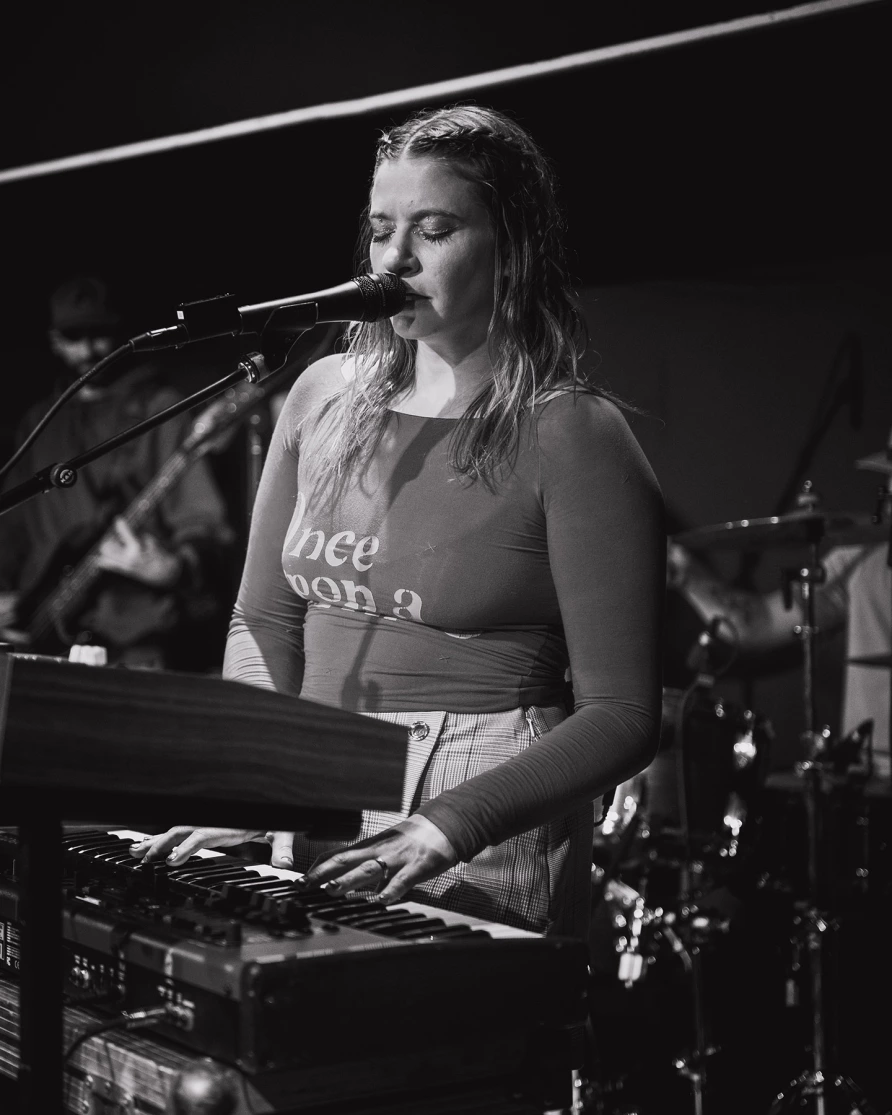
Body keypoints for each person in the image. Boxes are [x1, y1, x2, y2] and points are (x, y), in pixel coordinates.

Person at [129, 105, 665, 938]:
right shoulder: (320, 394)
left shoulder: (573, 433)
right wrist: (253, 780)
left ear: (511, 245)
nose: (395, 259)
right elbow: (263, 615)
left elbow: (624, 713)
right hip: (308, 788)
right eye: (381, 231)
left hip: (474, 815)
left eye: (435, 229)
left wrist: (452, 821)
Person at [0, 275, 234, 670]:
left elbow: (204, 522)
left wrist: (171, 567)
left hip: (136, 642)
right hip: (41, 632)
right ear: (54, 340)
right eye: (75, 336)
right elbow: (13, 529)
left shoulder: (161, 408)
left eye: (100, 334)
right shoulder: (40, 421)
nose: (90, 349)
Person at [667, 447, 891, 780]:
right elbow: (759, 624)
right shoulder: (862, 560)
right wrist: (686, 574)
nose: (887, 495)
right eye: (887, 482)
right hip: (870, 782)